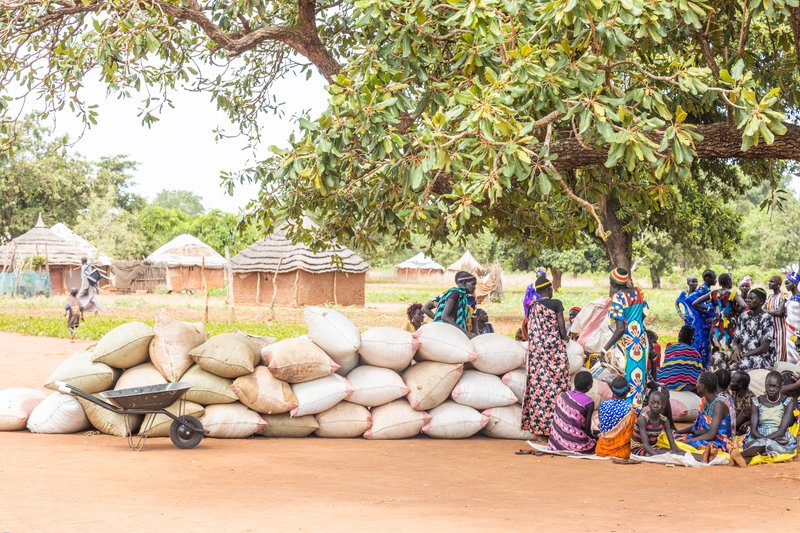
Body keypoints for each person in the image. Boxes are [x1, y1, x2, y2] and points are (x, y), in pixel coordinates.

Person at [521, 274, 569, 440]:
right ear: (550, 289)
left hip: (537, 358)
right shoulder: (556, 304)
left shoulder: (533, 306)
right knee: (558, 388)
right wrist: (567, 338)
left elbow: (529, 330)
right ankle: (558, 426)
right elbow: (562, 331)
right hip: (554, 354)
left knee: (539, 390)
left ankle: (539, 428)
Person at [601, 267, 649, 412]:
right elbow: (644, 314)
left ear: (613, 282)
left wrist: (605, 348)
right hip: (639, 341)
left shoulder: (618, 298)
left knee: (626, 377)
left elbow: (620, 328)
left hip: (627, 344)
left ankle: (627, 414)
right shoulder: (638, 293)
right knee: (638, 377)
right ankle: (637, 411)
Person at [735, 371, 798, 467]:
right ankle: (755, 450)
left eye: (774, 386)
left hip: (778, 434)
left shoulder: (787, 402)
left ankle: (744, 455)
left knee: (781, 445)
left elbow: (781, 431)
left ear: (781, 386)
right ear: (765, 385)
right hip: (759, 435)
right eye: (768, 386)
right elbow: (753, 430)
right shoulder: (757, 401)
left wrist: (764, 440)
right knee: (767, 444)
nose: (771, 389)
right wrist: (764, 439)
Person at [675, 371, 733, 454]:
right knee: (674, 438)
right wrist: (677, 432)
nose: (696, 386)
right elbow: (696, 426)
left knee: (684, 445)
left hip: (720, 441)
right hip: (706, 436)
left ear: (703, 386)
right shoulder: (703, 401)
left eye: (697, 383)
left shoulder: (719, 404)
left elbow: (711, 434)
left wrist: (687, 441)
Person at [692, 273, 745, 355]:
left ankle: (716, 365)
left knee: (716, 348)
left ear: (719, 283)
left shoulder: (713, 293)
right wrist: (735, 312)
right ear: (728, 282)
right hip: (729, 323)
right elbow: (743, 305)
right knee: (729, 347)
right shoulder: (733, 293)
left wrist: (710, 309)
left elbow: (695, 303)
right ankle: (728, 366)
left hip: (716, 323)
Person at [547, 371, 596, 453]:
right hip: (576, 446)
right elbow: (587, 430)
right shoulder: (589, 402)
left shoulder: (562, 395)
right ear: (589, 386)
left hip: (555, 444)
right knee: (596, 444)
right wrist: (594, 437)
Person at [425, 271, 478, 338]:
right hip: (444, 332)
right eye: (473, 284)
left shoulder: (463, 297)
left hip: (452, 331)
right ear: (464, 282)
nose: (474, 287)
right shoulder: (455, 293)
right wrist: (465, 332)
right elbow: (444, 317)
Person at [595, 376, 637, 458]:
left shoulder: (603, 405)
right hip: (621, 452)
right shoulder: (631, 410)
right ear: (629, 390)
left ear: (611, 389)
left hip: (601, 450)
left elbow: (602, 424)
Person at [630, 390, 682, 456]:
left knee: (676, 453)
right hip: (639, 449)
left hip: (653, 448)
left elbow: (673, 446)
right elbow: (646, 446)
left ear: (663, 405)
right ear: (648, 403)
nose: (655, 406)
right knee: (668, 454)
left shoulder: (664, 421)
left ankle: (698, 458)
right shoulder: (643, 419)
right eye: (652, 403)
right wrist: (660, 457)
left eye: (658, 403)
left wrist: (680, 452)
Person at [656, 326, 703, 391]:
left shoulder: (669, 349)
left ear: (679, 337)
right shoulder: (694, 353)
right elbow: (697, 373)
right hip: (684, 387)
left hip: (664, 383)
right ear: (692, 340)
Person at [685, 269, 717, 367]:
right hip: (701, 324)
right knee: (700, 346)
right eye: (714, 278)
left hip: (705, 325)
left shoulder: (707, 290)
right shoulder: (702, 289)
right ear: (707, 278)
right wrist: (707, 309)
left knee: (705, 346)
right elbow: (690, 299)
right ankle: (698, 369)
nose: (715, 280)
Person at [766, 274, 789, 363]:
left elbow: (779, 313)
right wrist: (773, 311)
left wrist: (768, 311)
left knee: (781, 352)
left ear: (778, 284)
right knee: (772, 351)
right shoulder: (769, 297)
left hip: (781, 330)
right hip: (771, 329)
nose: (769, 283)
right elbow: (762, 309)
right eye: (769, 281)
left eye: (772, 281)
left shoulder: (783, 295)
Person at [730, 371, 755, 435]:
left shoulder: (750, 399)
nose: (730, 383)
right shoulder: (735, 392)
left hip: (745, 424)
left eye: (732, 381)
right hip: (736, 422)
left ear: (740, 385)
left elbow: (736, 424)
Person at [785, 272, 800, 365]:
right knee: (790, 355)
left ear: (794, 283)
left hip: (797, 331)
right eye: (785, 283)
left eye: (788, 283)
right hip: (789, 330)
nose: (786, 285)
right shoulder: (790, 297)